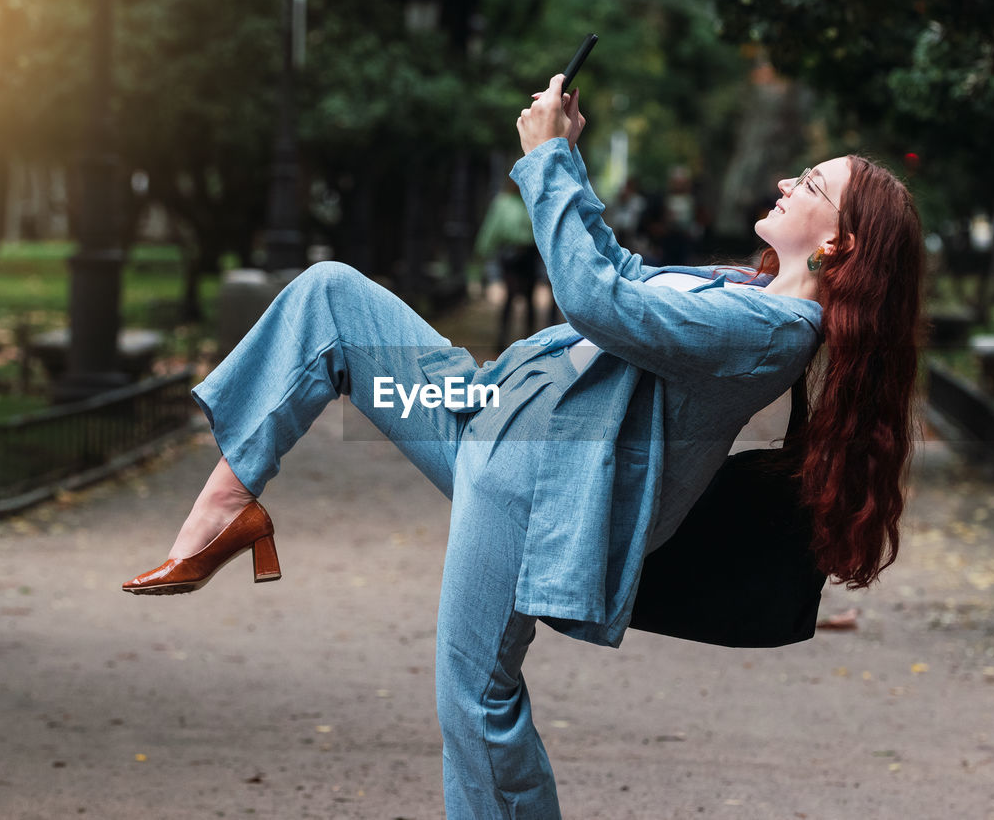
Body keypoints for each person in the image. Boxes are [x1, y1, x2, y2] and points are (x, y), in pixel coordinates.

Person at [123, 74, 924, 817]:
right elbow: (615, 267)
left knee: (476, 698)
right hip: (488, 413)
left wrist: (543, 160)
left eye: (811, 185)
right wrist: (565, 157)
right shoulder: (741, 289)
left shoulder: (772, 331)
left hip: (535, 481)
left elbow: (596, 299)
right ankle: (226, 508)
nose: (788, 182)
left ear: (841, 246)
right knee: (331, 296)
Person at [474, 176, 558, 351]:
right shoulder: (503, 202)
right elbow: (492, 228)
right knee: (510, 297)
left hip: (530, 255)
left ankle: (529, 341)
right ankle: (502, 340)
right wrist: (482, 251)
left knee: (529, 297)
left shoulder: (533, 202)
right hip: (510, 255)